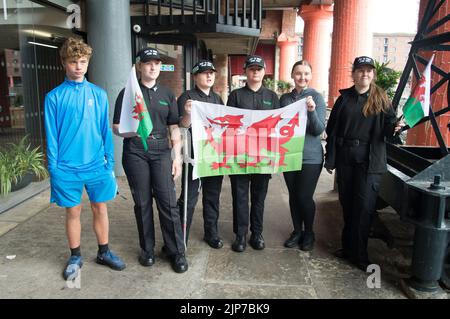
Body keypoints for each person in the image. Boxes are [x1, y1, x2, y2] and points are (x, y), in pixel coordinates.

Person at [44, 37, 126, 281]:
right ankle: (75, 256)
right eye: (73, 61)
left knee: (100, 207)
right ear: (64, 63)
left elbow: (104, 131)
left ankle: (104, 252)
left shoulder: (99, 94)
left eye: (82, 61)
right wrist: (54, 168)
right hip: (66, 168)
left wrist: (109, 163)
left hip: (97, 165)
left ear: (88, 62)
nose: (78, 66)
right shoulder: (54, 97)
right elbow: (51, 136)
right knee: (73, 212)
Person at [113, 48, 187, 273]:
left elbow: (174, 127)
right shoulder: (127, 93)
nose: (153, 67)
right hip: (136, 149)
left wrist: (177, 157)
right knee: (143, 203)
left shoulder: (167, 94)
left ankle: (176, 252)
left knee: (168, 202)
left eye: (156, 63)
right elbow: (116, 126)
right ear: (139, 66)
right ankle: (147, 250)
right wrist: (132, 131)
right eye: (148, 63)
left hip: (161, 150)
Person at [324, 56, 401, 271]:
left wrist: (394, 128)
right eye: (360, 70)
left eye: (368, 71)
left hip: (369, 160)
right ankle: (348, 249)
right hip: (346, 158)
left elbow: (389, 129)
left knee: (364, 208)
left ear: (373, 74)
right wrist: (330, 158)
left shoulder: (381, 98)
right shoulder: (344, 98)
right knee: (347, 205)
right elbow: (332, 130)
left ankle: (360, 254)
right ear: (354, 74)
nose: (364, 74)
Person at [227, 55, 280, 252]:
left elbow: (278, 125)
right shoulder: (236, 95)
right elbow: (229, 125)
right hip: (240, 155)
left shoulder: (272, 97)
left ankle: (257, 233)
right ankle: (240, 235)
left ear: (264, 72)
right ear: (245, 72)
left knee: (259, 197)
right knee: (239, 197)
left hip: (263, 156)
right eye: (252, 68)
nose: (255, 71)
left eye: (259, 68)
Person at [177, 60, 225, 249]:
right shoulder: (187, 97)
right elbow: (181, 125)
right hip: (194, 157)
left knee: (212, 197)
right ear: (195, 76)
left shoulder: (217, 98)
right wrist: (188, 113)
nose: (209, 76)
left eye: (211, 73)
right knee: (188, 199)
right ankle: (181, 237)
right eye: (204, 73)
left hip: (214, 156)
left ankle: (211, 233)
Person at [280, 60, 326, 251]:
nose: (302, 77)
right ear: (292, 75)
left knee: (304, 196)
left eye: (306, 73)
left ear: (311, 76)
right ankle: (297, 230)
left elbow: (318, 130)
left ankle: (309, 232)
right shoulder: (284, 99)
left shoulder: (317, 97)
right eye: (298, 73)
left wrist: (312, 111)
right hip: (289, 154)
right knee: (293, 195)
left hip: (310, 157)